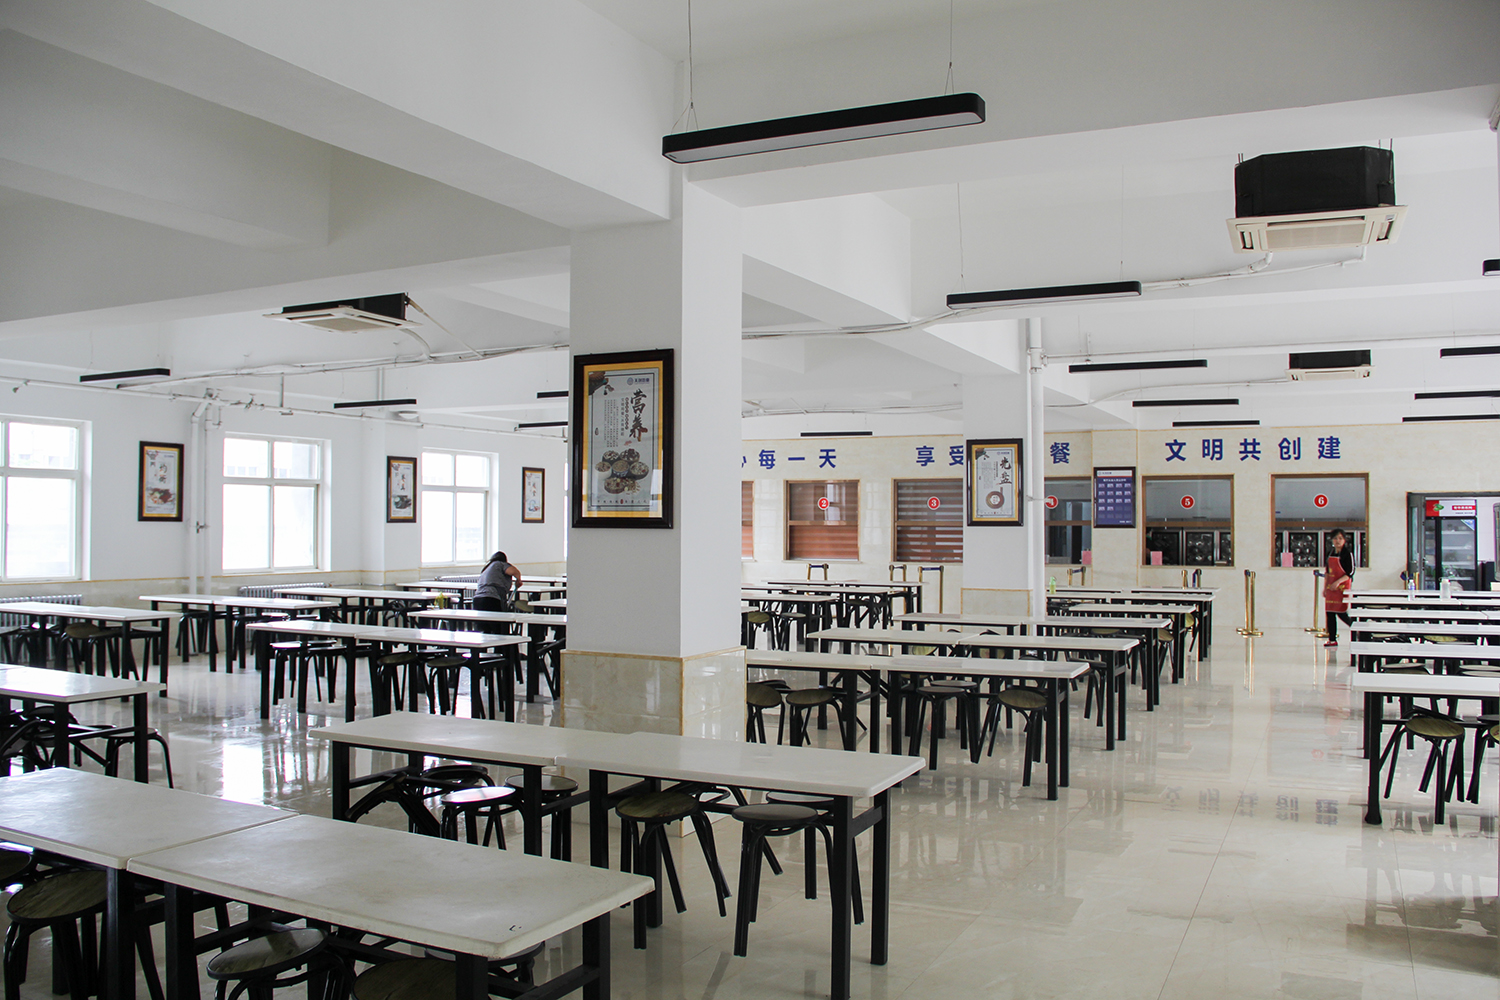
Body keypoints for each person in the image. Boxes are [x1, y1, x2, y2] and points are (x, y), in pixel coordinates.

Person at [1323, 529, 1354, 646]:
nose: (1338, 541)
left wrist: (1338, 582)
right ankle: (1332, 639)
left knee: (1341, 612)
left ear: (1344, 540)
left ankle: (1358, 628)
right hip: (1331, 587)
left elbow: (1350, 572)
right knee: (1330, 612)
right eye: (1335, 538)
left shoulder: (1347, 554)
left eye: (1340, 538)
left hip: (1342, 587)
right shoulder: (1330, 553)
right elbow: (1327, 572)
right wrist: (1325, 587)